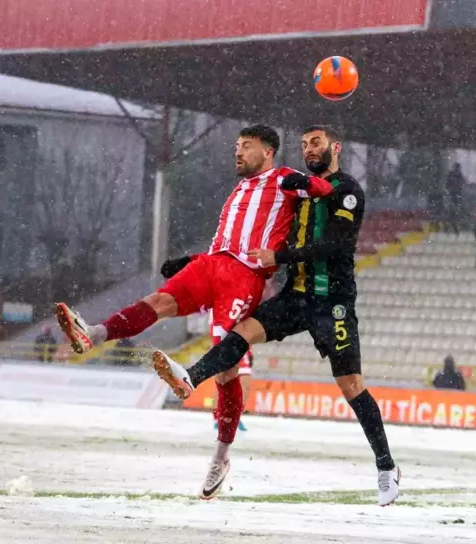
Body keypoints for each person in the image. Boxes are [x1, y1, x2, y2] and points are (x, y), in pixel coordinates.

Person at [55, 124, 335, 498]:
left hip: (244, 275)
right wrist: (189, 259)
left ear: (267, 152)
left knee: (227, 364)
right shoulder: (238, 190)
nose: (237, 152)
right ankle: (95, 333)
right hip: (211, 264)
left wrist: (308, 182)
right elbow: (229, 238)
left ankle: (221, 456)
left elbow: (325, 190)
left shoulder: (284, 179)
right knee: (158, 302)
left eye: (246, 147)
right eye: (236, 146)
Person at [152, 125, 400, 507]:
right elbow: (256, 239)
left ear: (335, 146)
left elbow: (336, 245)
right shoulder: (297, 191)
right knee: (241, 332)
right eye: (302, 145)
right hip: (295, 296)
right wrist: (191, 262)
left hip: (332, 301)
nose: (308, 149)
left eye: (315, 142)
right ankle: (191, 377)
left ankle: (386, 466)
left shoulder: (346, 191)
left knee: (351, 385)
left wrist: (280, 257)